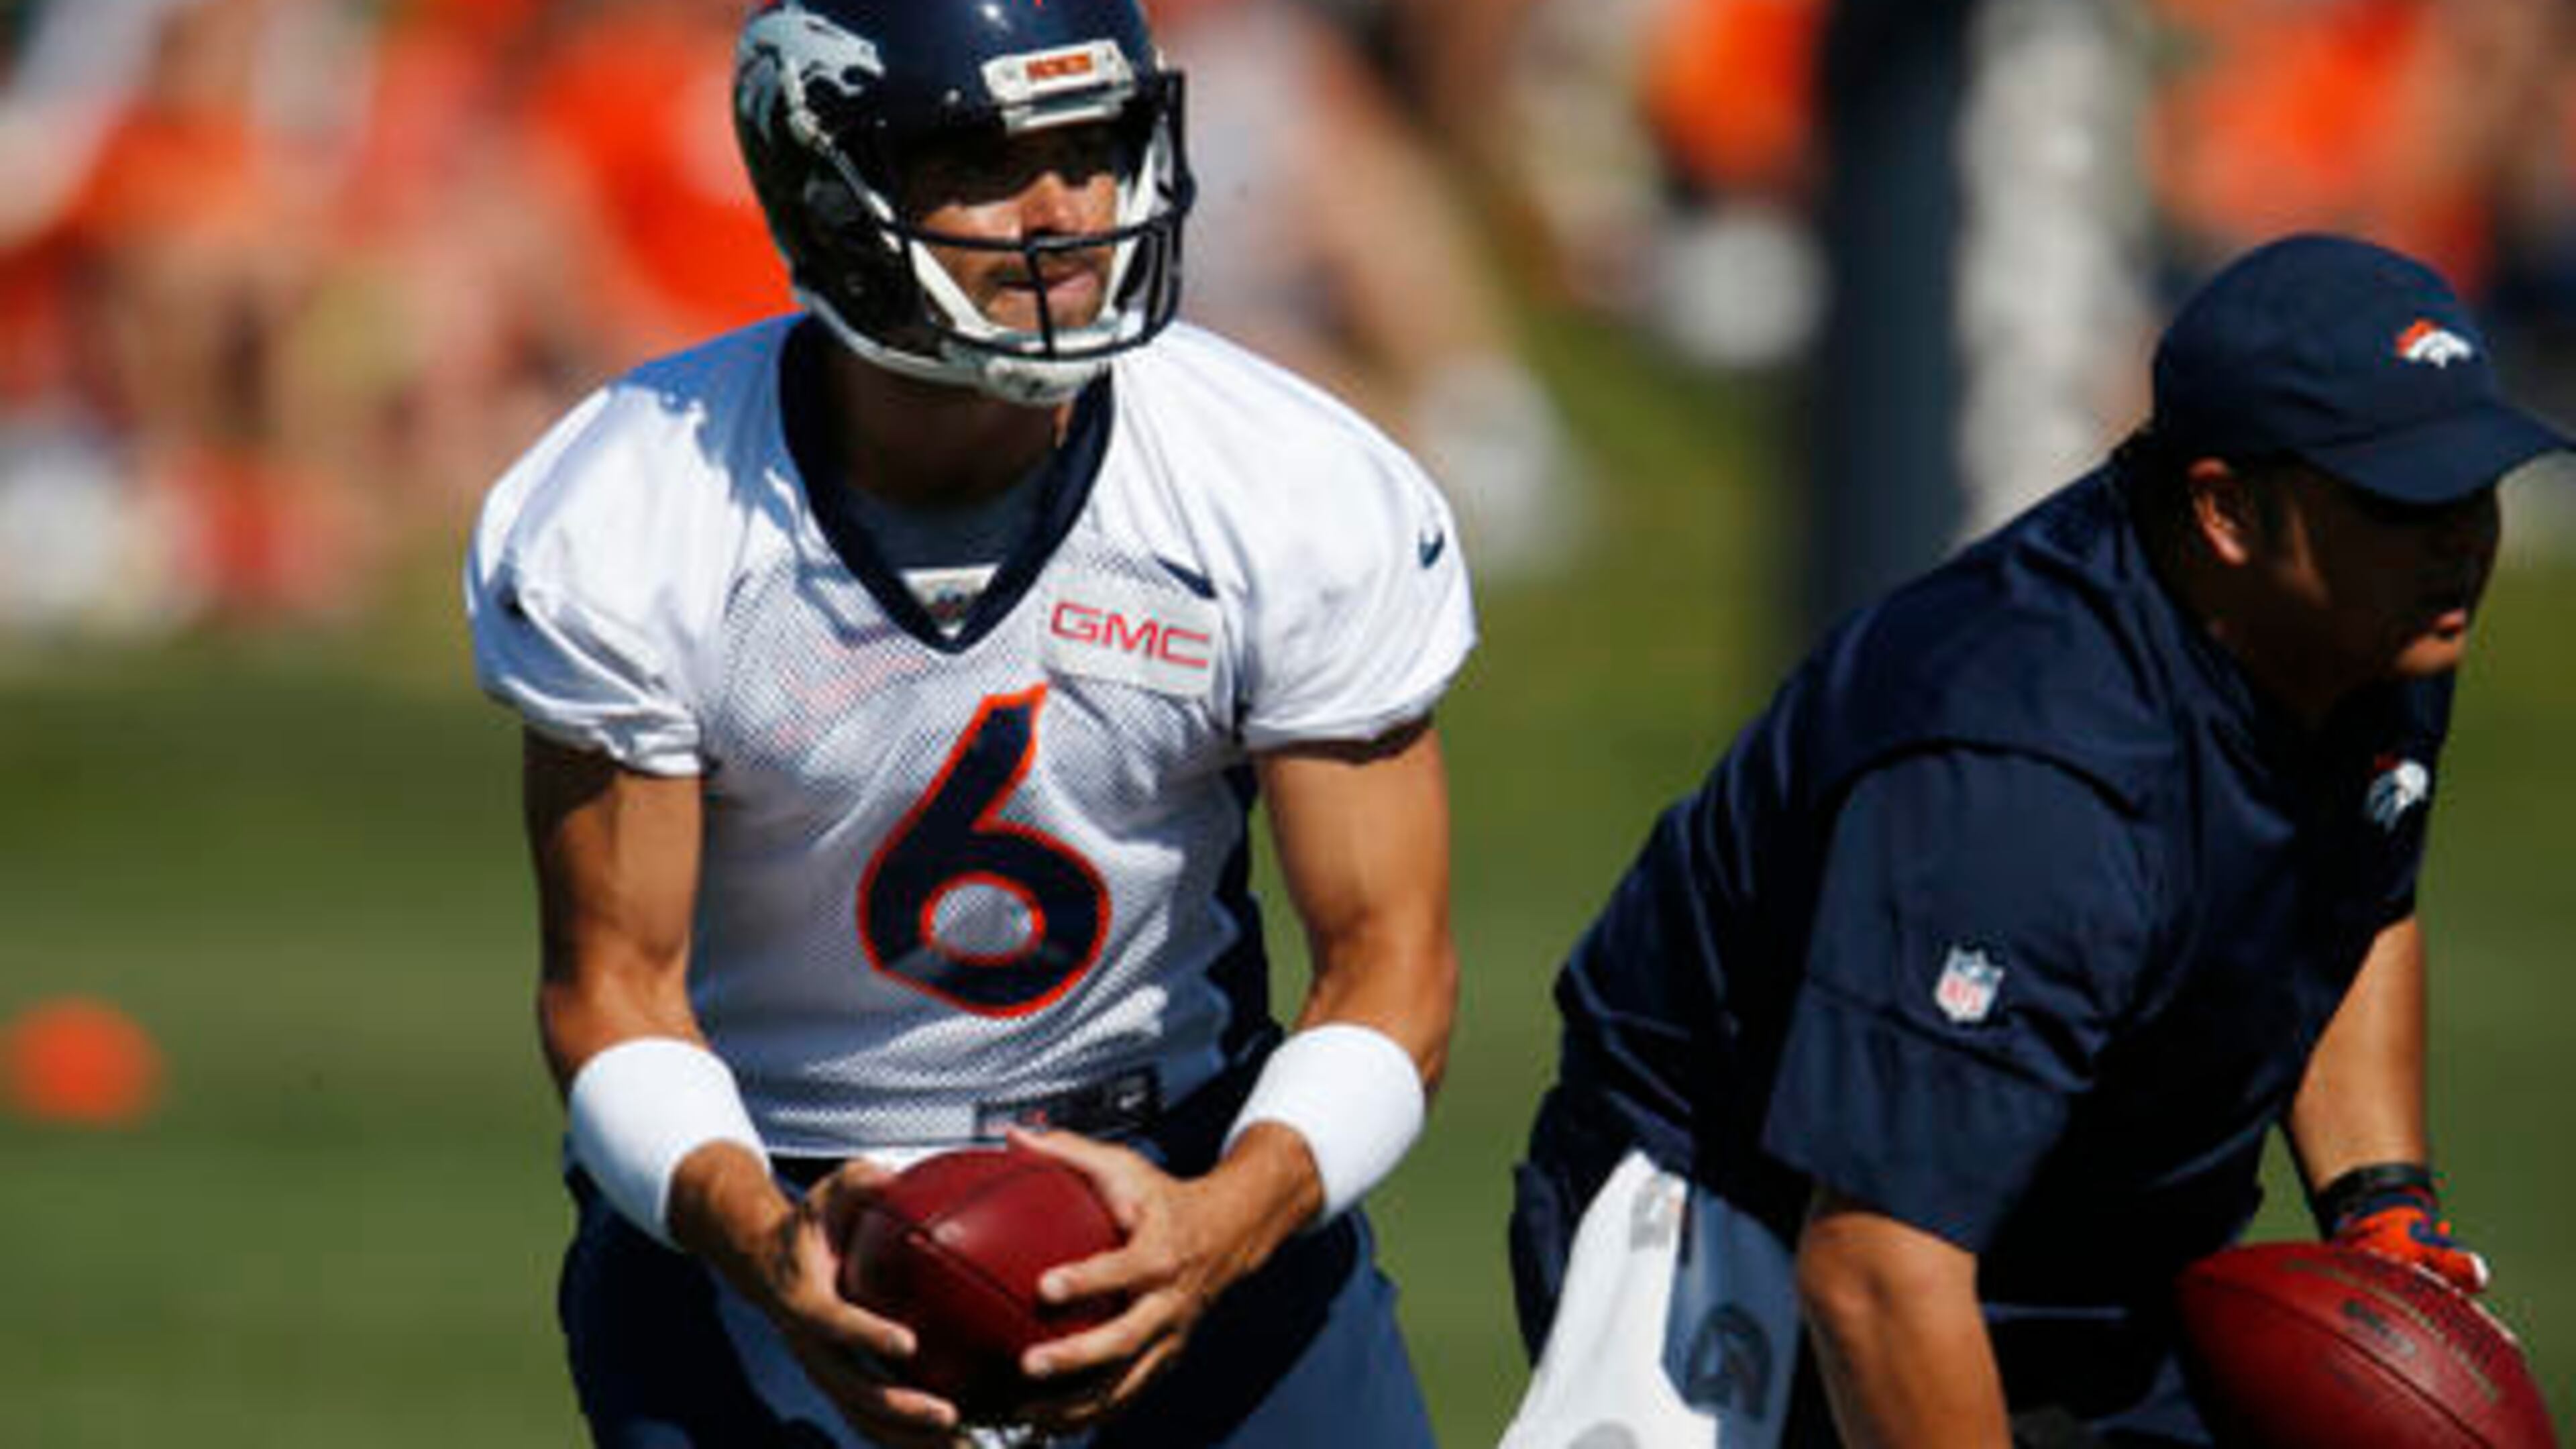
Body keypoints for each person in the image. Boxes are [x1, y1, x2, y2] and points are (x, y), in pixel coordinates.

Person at [462, 1, 1471, 1444]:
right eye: (989, 161)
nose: (1067, 209)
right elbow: (611, 989)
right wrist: (767, 1242)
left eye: (1094, 147)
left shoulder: (1287, 487)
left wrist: (1221, 1222)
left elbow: (1393, 971)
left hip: (1180, 1162)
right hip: (770, 1187)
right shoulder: (636, 511)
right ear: (829, 185)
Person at [1502, 233, 2564, 1448]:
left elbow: (2351, 894)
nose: (2460, 539)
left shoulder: (2370, 615)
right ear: (2225, 510)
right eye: (2403, 498)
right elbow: (1873, 1273)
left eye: (2472, 487)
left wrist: (2383, 1209)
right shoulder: (2026, 773)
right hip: (1750, 1238)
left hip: (2080, 1241)